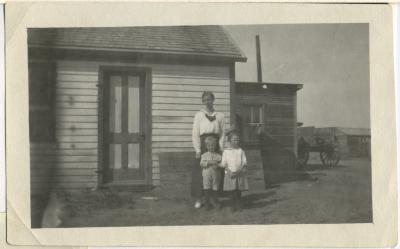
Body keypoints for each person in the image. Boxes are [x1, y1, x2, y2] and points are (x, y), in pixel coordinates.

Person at [192, 91, 225, 209]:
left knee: (215, 172)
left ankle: (213, 199)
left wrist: (221, 147)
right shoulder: (199, 115)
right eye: (205, 99)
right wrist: (197, 149)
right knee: (200, 173)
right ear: (203, 101)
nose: (208, 102)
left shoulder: (220, 115)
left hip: (215, 144)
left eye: (209, 99)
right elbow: (195, 133)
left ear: (213, 100)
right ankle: (199, 199)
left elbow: (222, 133)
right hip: (203, 143)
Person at [220, 131, 249, 212]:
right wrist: (228, 171)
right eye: (234, 140)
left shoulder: (240, 150)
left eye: (237, 140)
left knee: (238, 191)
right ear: (229, 141)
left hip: (239, 174)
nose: (236, 142)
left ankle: (239, 204)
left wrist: (241, 169)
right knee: (231, 192)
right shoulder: (226, 152)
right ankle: (232, 205)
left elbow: (244, 161)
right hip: (230, 174)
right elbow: (223, 163)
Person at [200, 136, 222, 210]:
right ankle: (207, 204)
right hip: (207, 174)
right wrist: (209, 162)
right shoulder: (204, 155)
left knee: (215, 187)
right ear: (206, 146)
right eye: (209, 145)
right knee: (207, 188)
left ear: (215, 146)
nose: (211, 147)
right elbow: (201, 164)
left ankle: (215, 202)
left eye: (213, 145)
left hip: (216, 174)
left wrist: (218, 165)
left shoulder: (218, 156)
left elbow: (222, 164)